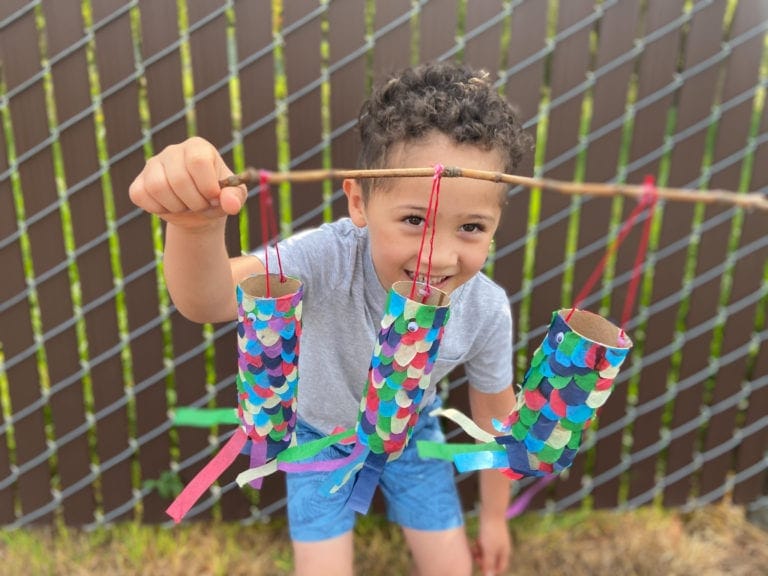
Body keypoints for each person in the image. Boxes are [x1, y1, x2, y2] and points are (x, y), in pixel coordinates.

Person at [130, 60, 531, 576]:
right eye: (414, 220)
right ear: (359, 202)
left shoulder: (485, 309)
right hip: (317, 440)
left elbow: (495, 419)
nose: (439, 256)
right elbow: (207, 300)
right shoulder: (327, 258)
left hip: (411, 436)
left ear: (496, 225)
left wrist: (494, 519)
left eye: (471, 226)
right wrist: (194, 227)